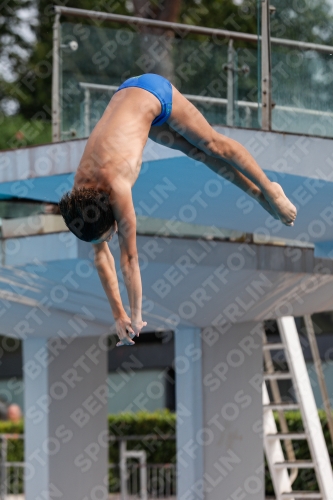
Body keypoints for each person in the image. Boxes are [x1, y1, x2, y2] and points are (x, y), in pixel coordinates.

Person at [59, 73, 297, 347]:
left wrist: (136, 317)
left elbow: (129, 260)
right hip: (130, 101)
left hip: (154, 92)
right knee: (198, 154)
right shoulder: (81, 198)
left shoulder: (117, 187)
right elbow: (101, 258)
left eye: (108, 235)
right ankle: (256, 194)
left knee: (210, 144)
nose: (109, 240)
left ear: (111, 212)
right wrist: (118, 315)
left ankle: (269, 188)